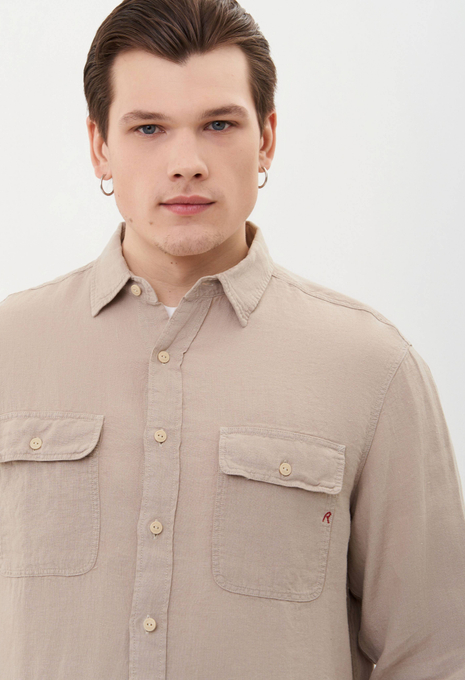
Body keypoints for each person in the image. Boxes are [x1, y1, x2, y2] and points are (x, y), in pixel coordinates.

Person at [0, 0, 464, 678]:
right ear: (100, 146)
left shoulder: (374, 369)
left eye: (218, 125)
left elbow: (435, 653)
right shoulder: (10, 352)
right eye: (149, 128)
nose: (186, 162)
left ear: (266, 137)